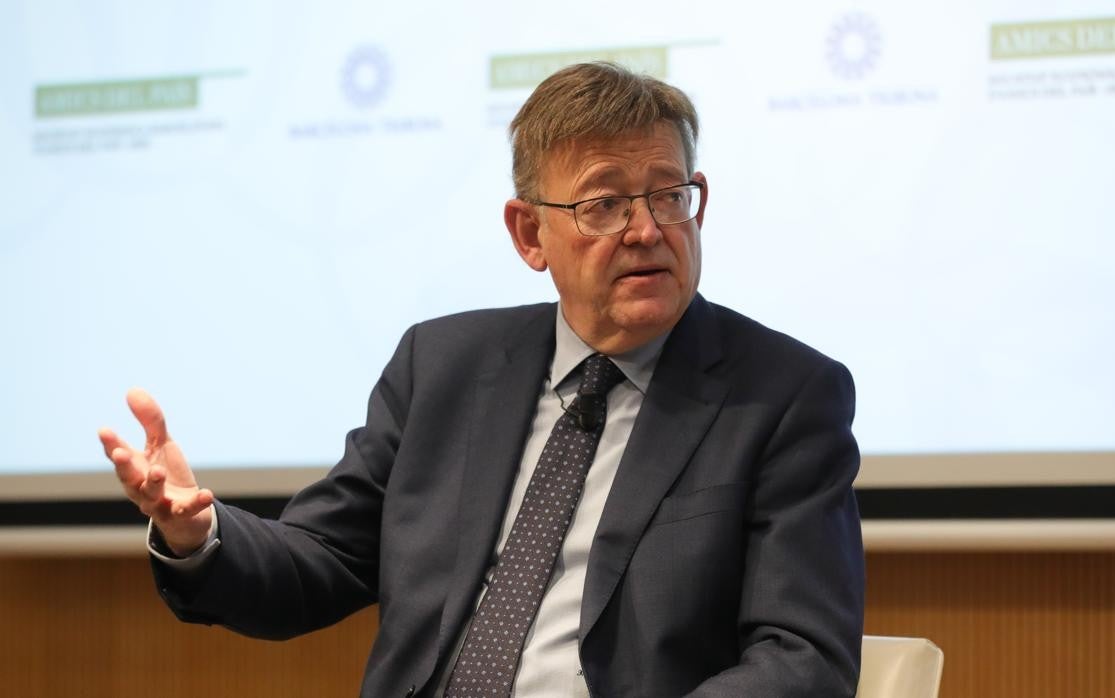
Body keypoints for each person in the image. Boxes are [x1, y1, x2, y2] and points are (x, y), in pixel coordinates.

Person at [99, 62, 864, 697]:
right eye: (605, 204)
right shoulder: (442, 366)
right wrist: (199, 536)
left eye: (668, 196)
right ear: (530, 233)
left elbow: (803, 658)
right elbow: (321, 560)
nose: (647, 229)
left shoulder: (783, 397)